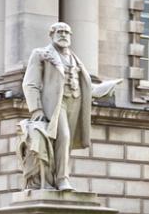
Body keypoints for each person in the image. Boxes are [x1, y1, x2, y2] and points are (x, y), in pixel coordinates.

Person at [19, 22, 119, 191]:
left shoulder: (75, 59)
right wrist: (36, 109)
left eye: (66, 32)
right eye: (59, 31)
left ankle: (59, 176)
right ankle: (62, 179)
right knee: (64, 136)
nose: (63, 35)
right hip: (56, 104)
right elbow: (30, 83)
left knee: (67, 143)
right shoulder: (41, 54)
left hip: (76, 102)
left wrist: (105, 88)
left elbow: (85, 87)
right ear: (51, 35)